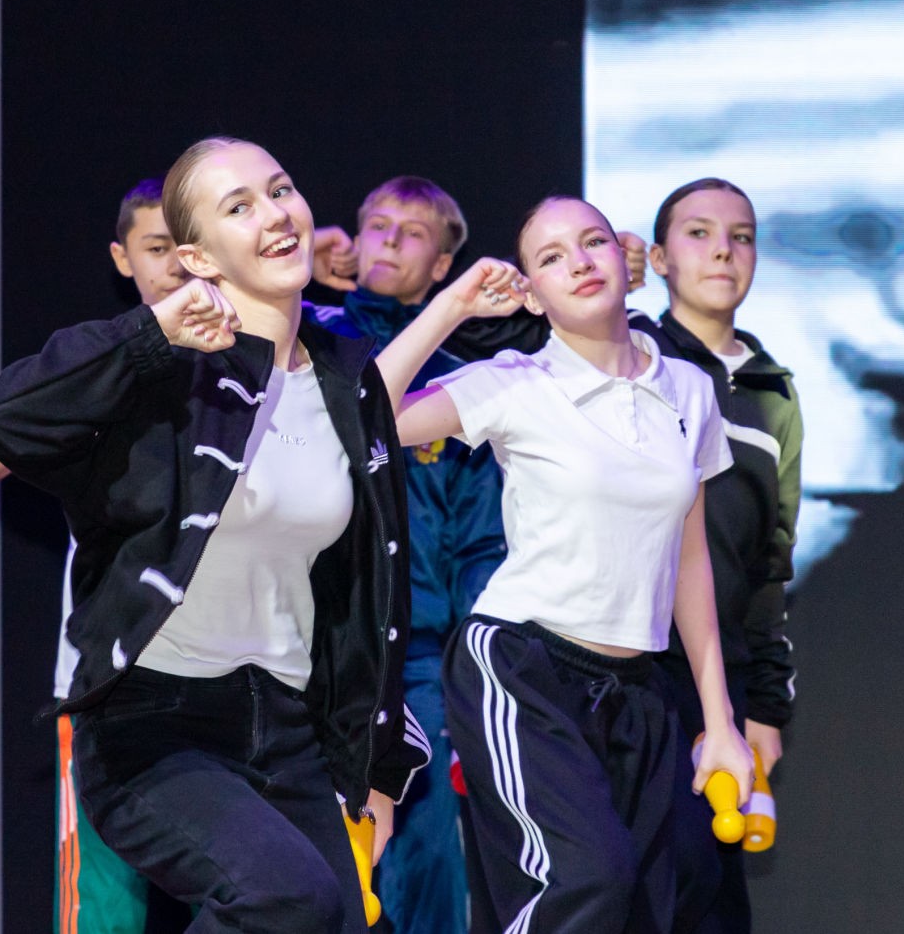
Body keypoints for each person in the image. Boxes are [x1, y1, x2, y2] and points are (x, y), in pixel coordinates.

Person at [0, 136, 520, 931]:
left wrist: (373, 759)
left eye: (281, 189)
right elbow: (5, 420)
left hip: (290, 726)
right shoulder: (165, 372)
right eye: (240, 206)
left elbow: (367, 591)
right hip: (155, 727)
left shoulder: (341, 377)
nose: (275, 214)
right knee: (285, 898)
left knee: (336, 917)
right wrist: (150, 333)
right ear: (197, 257)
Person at [380, 194, 753, 931]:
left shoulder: (688, 388)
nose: (579, 263)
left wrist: (720, 721)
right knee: (584, 881)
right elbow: (371, 417)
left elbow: (688, 560)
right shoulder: (515, 380)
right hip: (522, 665)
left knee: (648, 905)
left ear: (624, 257)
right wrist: (453, 307)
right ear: (533, 292)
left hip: (638, 685)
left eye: (592, 243)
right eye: (552, 257)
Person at [0, 177, 194, 934]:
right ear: (123, 258)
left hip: (231, 674)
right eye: (156, 248)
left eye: (187, 247)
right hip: (108, 677)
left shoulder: (257, 357)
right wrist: (81, 420)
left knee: (253, 891)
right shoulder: (105, 364)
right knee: (105, 904)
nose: (175, 266)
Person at [308, 176, 506, 934]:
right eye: (377, 224)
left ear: (444, 265)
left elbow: (480, 540)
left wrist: (473, 667)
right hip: (308, 645)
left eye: (413, 231)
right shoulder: (311, 333)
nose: (389, 239)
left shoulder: (460, 379)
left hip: (418, 657)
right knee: (300, 847)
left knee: (423, 854)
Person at [641, 179, 802, 932]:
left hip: (721, 674)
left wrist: (763, 705)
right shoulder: (634, 353)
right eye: (699, 233)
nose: (722, 252)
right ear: (658, 257)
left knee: (712, 890)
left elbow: (773, 558)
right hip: (632, 663)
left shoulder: (775, 392)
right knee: (645, 874)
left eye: (741, 237)